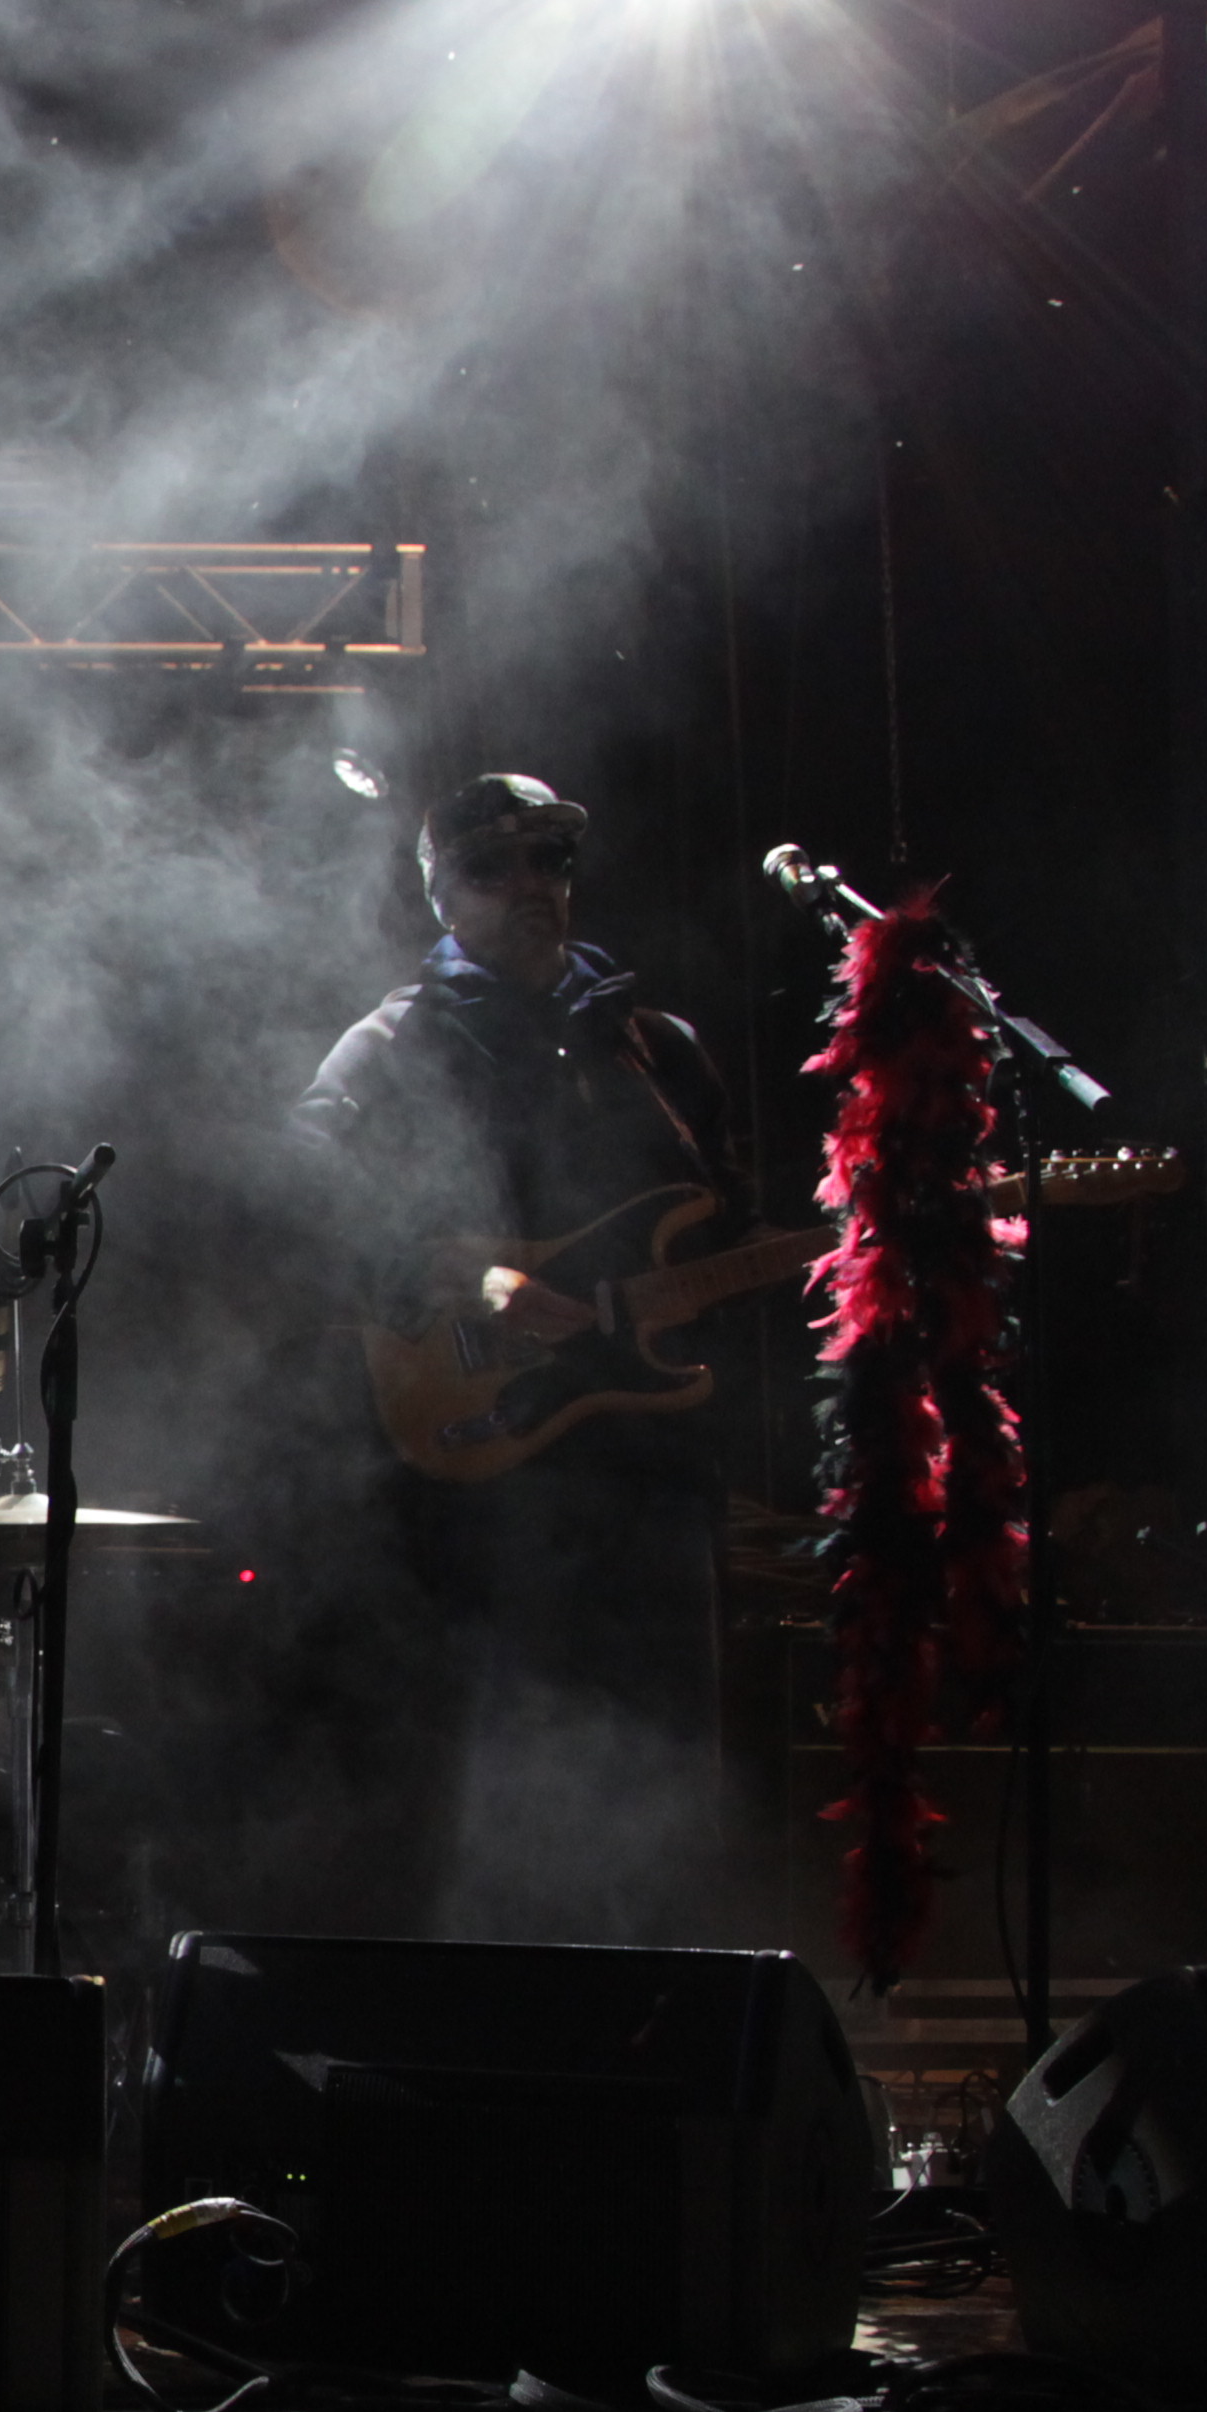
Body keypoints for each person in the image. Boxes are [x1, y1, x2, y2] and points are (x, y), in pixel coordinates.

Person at [285, 773, 748, 1943]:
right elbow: (299, 1203)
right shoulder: (392, 1045)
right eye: (495, 866)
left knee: (661, 1777)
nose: (533, 885)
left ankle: (653, 2009)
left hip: (645, 1472)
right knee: (476, 1790)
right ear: (441, 892)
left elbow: (726, 1231)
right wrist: (462, 1276)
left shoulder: (656, 1048)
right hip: (479, 1479)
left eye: (551, 860)